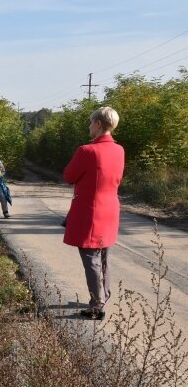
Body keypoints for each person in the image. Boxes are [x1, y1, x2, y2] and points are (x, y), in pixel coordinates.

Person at [63, 106, 125, 320]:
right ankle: (103, 295)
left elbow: (69, 176)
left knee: (91, 257)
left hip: (90, 210)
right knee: (104, 255)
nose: (89, 126)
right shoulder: (119, 150)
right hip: (110, 208)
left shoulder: (86, 150)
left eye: (91, 123)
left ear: (98, 124)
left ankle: (97, 305)